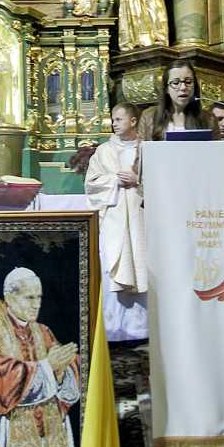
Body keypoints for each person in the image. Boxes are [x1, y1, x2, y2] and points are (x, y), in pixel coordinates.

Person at [0, 267, 80, 447]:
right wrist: (47, 368)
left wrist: (61, 372)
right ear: (10, 298)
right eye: (29, 298)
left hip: (49, 431)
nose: (36, 305)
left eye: (39, 297)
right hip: (11, 431)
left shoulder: (43, 331)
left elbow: (65, 367)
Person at [85, 103, 148, 341]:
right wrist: (115, 181)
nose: (114, 124)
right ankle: (114, 331)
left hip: (141, 219)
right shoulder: (104, 151)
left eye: (119, 119)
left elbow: (164, 182)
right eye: (113, 120)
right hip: (114, 221)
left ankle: (142, 329)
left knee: (142, 264)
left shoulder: (147, 149)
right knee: (113, 268)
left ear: (133, 121)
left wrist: (138, 180)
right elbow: (91, 184)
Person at [138, 60, 213, 141]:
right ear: (166, 88)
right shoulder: (148, 116)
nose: (183, 87)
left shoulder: (209, 119)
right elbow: (142, 148)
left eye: (188, 82)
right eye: (176, 82)